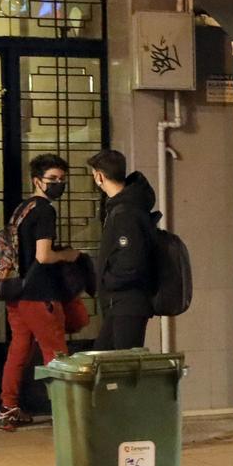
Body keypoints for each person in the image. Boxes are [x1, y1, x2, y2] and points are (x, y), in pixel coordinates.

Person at [0, 154, 88, 431]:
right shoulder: (45, 210)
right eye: (53, 180)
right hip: (40, 295)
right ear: (37, 180)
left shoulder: (21, 209)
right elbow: (44, 255)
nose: (58, 184)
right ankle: (66, 414)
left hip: (17, 293)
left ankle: (8, 407)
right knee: (57, 353)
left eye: (62, 179)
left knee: (19, 351)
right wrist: (70, 254)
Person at [88, 150, 159, 351]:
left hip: (127, 302)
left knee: (121, 368)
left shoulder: (125, 212)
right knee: (105, 363)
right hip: (119, 303)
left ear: (99, 176)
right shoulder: (123, 207)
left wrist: (107, 280)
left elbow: (131, 261)